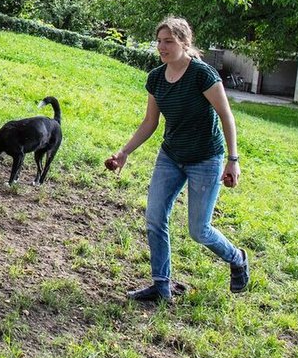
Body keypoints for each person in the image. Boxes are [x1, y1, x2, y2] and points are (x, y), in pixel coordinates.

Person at [105, 16, 248, 303]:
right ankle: (161, 285)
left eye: (169, 41)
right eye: (159, 41)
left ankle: (237, 258)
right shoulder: (156, 77)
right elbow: (149, 122)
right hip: (171, 156)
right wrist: (124, 153)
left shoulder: (202, 75)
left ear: (184, 42)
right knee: (155, 218)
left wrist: (233, 160)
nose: (162, 47)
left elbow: (226, 116)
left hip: (206, 158)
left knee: (199, 230)